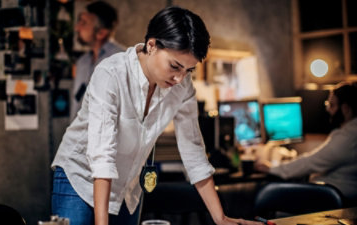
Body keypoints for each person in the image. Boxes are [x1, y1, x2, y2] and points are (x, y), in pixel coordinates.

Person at [51, 5, 262, 225]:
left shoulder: (182, 86)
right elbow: (102, 156)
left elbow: (193, 151)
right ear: (151, 46)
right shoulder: (111, 74)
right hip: (81, 177)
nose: (180, 78)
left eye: (188, 70)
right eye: (175, 66)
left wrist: (220, 218)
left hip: (127, 185)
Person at [255, 81, 357, 203]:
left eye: (332, 105)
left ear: (345, 108)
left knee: (279, 206)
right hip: (334, 193)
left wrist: (272, 169)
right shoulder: (349, 131)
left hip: (337, 197)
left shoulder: (348, 136)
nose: (328, 110)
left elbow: (312, 162)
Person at [70, 0, 124, 121]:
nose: (77, 27)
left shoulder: (123, 60)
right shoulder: (82, 62)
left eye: (83, 23)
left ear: (101, 32)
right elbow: (76, 104)